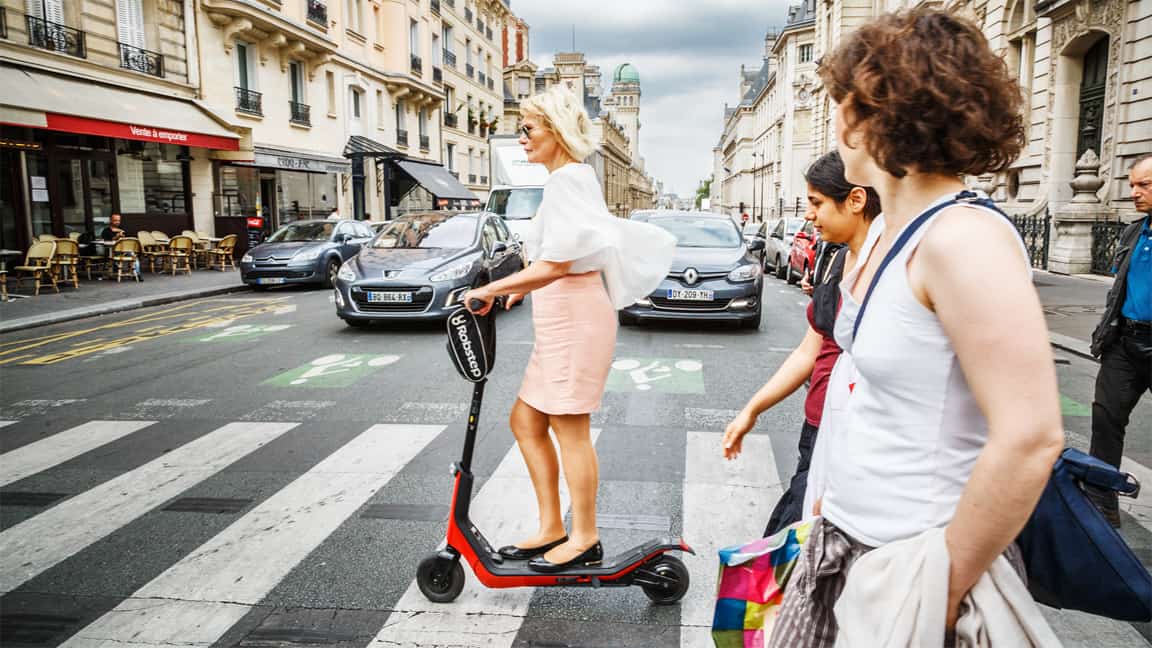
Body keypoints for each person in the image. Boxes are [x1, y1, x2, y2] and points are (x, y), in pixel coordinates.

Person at [768, 9, 1064, 645]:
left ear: (869, 113)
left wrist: (944, 585)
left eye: (842, 102)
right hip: (851, 545)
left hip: (912, 564)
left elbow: (1032, 437)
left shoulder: (962, 238)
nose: (836, 119)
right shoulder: (894, 234)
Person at [462, 84, 676, 572]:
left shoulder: (568, 180)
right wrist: (518, 288)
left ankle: (584, 535)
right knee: (526, 421)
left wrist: (490, 291)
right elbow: (560, 255)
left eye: (528, 128)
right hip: (562, 314)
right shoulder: (565, 180)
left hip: (576, 319)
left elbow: (558, 264)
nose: (522, 138)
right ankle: (551, 527)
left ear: (555, 131)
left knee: (569, 427)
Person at [723, 151, 879, 536]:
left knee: (786, 556)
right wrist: (752, 409)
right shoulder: (838, 259)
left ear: (855, 201)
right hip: (817, 428)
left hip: (854, 439)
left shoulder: (889, 269)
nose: (808, 215)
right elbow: (809, 351)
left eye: (816, 203)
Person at [1087, 153, 1152, 528]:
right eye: (1132, 185)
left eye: (1144, 184)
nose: (1134, 193)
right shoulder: (1133, 231)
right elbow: (1119, 288)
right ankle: (1101, 501)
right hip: (1125, 340)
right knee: (1106, 418)